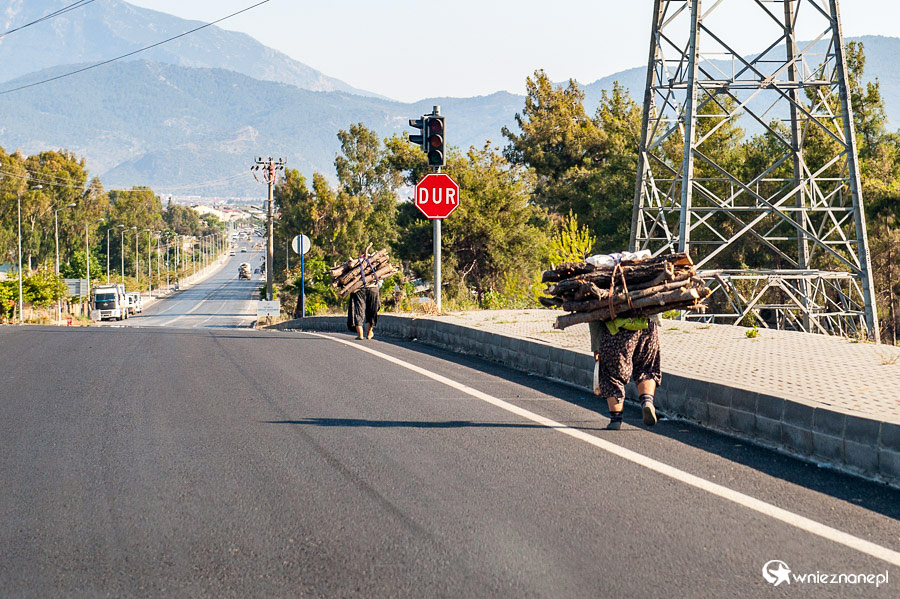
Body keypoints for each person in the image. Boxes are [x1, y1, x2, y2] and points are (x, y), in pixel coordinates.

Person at [590, 315, 661, 430]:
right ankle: (647, 401)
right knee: (646, 367)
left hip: (616, 330)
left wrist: (595, 346)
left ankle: (615, 419)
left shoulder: (604, 295)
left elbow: (594, 317)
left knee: (612, 374)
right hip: (647, 327)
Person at [346, 251, 381, 340]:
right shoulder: (375, 263)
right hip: (373, 288)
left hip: (358, 288)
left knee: (358, 309)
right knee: (372, 310)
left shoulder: (356, 264)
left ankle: (360, 334)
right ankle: (369, 332)